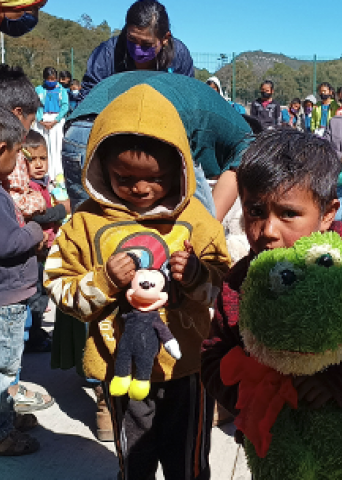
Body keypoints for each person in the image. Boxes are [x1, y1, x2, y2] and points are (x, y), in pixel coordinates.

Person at [44, 84, 231, 479]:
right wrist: (104, 280)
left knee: (189, 463)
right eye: (124, 177)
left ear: (180, 169)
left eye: (158, 178)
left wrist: (196, 276)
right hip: (122, 370)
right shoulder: (85, 223)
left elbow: (224, 285)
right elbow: (60, 286)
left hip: (187, 369)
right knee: (135, 464)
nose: (141, 189)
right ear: (99, 166)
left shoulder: (197, 220)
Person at [200, 128, 342, 446]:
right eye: (255, 211)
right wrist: (251, 391)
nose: (268, 231)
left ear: (327, 214)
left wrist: (341, 381)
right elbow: (213, 354)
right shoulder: (239, 283)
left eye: (289, 214)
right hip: (278, 447)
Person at [63, 71, 254, 221]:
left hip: (78, 128)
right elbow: (210, 219)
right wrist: (207, 234)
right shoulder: (245, 137)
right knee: (188, 232)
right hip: (131, 128)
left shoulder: (208, 111)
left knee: (90, 235)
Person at [0, 108, 46, 457]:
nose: (21, 161)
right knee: (4, 367)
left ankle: (7, 417)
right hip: (6, 301)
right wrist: (34, 231)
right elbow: (8, 243)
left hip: (9, 297)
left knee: (8, 363)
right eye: (18, 153)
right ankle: (3, 433)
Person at [80, 0, 194, 100]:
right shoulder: (108, 53)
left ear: (165, 38)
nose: (137, 49)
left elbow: (187, 99)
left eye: (147, 44)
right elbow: (89, 98)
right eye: (132, 39)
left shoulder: (179, 56)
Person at [23, 130, 68, 353]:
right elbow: (38, 216)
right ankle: (34, 337)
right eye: (32, 160)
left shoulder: (46, 183)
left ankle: (36, 332)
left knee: (43, 293)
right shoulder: (27, 187)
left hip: (47, 246)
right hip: (36, 250)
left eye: (43, 158)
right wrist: (62, 209)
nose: (39, 164)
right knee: (36, 295)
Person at [34, 67, 69, 181]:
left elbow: (65, 106)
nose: (51, 81)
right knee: (44, 147)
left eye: (53, 79)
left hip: (56, 121)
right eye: (48, 79)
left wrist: (55, 120)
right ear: (44, 79)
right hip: (42, 120)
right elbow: (35, 105)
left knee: (57, 147)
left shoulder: (61, 90)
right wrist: (40, 120)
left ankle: (58, 175)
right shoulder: (38, 90)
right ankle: (46, 175)